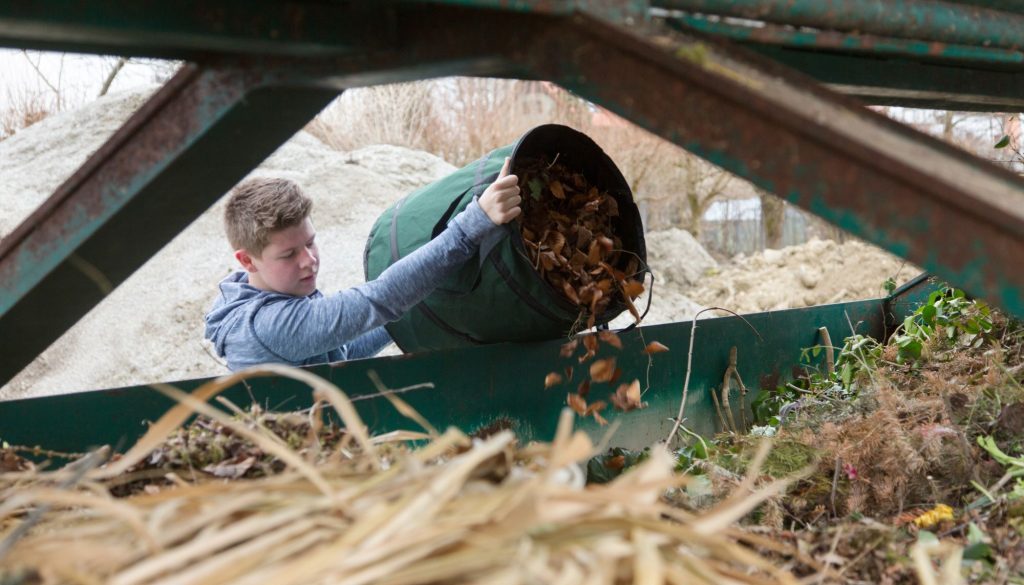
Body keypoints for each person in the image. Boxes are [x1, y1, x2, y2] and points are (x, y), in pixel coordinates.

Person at [204, 159, 521, 371]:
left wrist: (415, 302)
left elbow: (342, 351)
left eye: (310, 242)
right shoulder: (268, 327)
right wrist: (473, 224)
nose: (309, 260)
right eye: (289, 255)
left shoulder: (276, 291)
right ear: (247, 260)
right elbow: (380, 299)